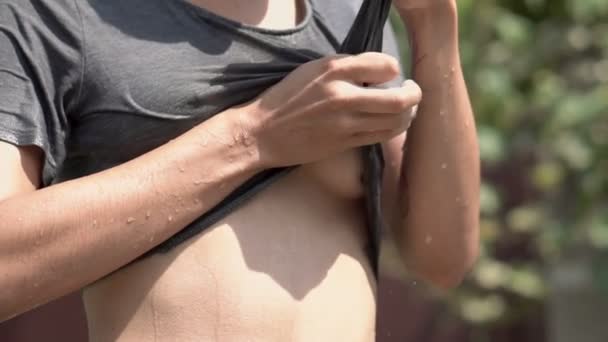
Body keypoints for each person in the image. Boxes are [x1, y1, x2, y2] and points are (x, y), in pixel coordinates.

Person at [0, 0, 479, 340]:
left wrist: (434, 26)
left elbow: (441, 257)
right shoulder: (47, 12)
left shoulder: (353, 13)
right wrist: (252, 138)